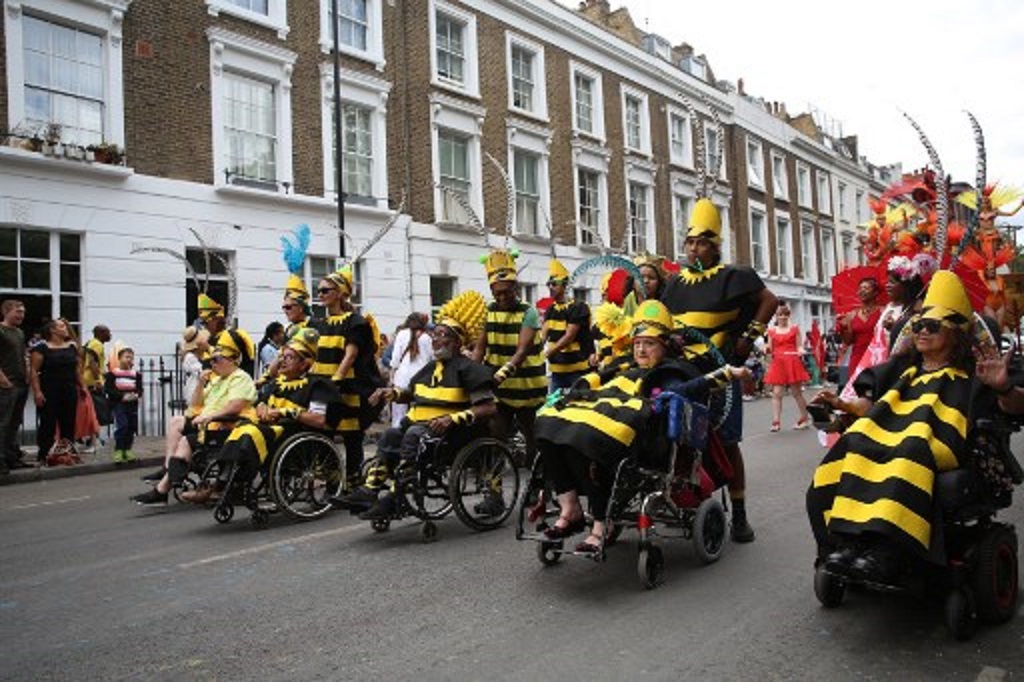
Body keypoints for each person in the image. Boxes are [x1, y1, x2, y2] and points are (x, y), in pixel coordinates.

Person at [807, 271, 998, 582]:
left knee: (911, 448)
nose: (921, 332)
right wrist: (842, 405)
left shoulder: (975, 375)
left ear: (954, 333)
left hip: (935, 438)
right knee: (856, 441)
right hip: (888, 431)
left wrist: (1001, 388)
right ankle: (843, 544)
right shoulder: (900, 368)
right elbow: (870, 406)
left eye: (932, 326)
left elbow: (1000, 405)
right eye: (918, 325)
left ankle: (889, 551)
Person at [535, 300, 750, 551]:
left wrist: (725, 374)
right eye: (637, 344)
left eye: (649, 344)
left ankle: (602, 524)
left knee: (584, 442)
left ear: (665, 347)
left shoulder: (671, 370)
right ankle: (570, 508)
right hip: (596, 420)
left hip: (638, 436)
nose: (641, 350)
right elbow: (590, 382)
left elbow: (687, 389)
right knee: (547, 429)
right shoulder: (623, 366)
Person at [660, 198, 779, 542]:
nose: (694, 249)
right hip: (684, 371)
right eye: (690, 242)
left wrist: (747, 338)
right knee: (680, 438)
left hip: (720, 370)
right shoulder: (675, 282)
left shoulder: (734, 276)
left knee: (726, 442)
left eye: (702, 242)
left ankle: (739, 514)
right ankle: (694, 499)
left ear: (714, 246)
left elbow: (769, 302)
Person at [337, 291, 496, 520]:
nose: (436, 340)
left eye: (443, 335)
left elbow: (489, 408)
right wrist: (391, 392)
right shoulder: (429, 368)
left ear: (458, 341)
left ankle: (396, 497)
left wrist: (453, 418)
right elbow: (410, 394)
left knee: (412, 434)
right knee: (391, 434)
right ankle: (368, 491)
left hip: (451, 433)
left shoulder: (469, 369)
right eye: (435, 334)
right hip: (421, 425)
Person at [179, 328, 336, 504]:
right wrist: (262, 407)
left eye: (289, 357)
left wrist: (285, 412)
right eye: (282, 356)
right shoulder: (276, 383)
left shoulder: (318, 385)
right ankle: (227, 485)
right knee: (239, 430)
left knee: (249, 434)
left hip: (292, 433)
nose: (282, 361)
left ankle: (222, 486)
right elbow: (258, 402)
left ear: (304, 363)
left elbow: (319, 420)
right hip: (269, 428)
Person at [131, 332, 257, 506]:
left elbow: (235, 406)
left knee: (185, 440)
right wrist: (200, 383)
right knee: (177, 422)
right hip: (208, 425)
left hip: (228, 426)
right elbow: (195, 404)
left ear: (233, 359)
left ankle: (163, 488)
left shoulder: (241, 378)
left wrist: (210, 415)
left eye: (217, 359)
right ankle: (167, 473)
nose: (212, 363)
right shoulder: (218, 380)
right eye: (211, 360)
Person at [471, 249, 546, 468]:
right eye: (497, 293)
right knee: (496, 438)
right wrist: (470, 373)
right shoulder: (489, 310)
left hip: (528, 388)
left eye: (506, 292)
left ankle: (536, 488)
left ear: (515, 287)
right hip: (500, 390)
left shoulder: (528, 312)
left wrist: (500, 374)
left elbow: (522, 352)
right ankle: (494, 496)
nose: (502, 297)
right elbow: (479, 348)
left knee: (532, 438)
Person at [310, 264, 383, 485]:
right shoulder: (319, 323)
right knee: (323, 432)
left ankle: (353, 478)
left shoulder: (355, 322)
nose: (320, 294)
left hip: (346, 387)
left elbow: (350, 355)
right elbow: (315, 355)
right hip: (322, 386)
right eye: (319, 290)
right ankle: (331, 474)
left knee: (351, 434)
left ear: (341, 293)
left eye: (326, 290)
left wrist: (337, 379)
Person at [839, 253, 936, 402]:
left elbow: (918, 339)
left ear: (905, 285)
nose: (888, 285)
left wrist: (895, 329)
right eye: (887, 282)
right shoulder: (889, 307)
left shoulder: (917, 308)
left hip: (900, 366)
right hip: (875, 361)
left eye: (892, 282)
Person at [29, 319, 83, 465]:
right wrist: (37, 392)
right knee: (48, 422)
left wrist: (82, 386)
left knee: (68, 422)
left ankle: (67, 453)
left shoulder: (72, 346)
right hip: (50, 389)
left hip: (69, 388)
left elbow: (77, 369)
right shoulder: (41, 348)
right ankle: (44, 454)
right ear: (53, 330)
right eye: (61, 326)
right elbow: (34, 371)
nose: (65, 328)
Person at [542, 258, 592, 393]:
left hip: (577, 370)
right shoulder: (550, 310)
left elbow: (569, 336)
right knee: (553, 406)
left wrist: (548, 353)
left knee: (578, 406)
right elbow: (543, 335)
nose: (550, 287)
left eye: (554, 284)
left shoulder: (578, 307)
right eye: (549, 284)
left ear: (564, 286)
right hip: (557, 371)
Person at [763, 302, 811, 432]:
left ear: (789, 315)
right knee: (777, 393)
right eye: (780, 315)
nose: (783, 317)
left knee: (796, 393)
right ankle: (776, 421)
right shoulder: (771, 331)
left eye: (785, 314)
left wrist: (801, 350)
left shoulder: (795, 329)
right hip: (778, 363)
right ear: (776, 316)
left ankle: (805, 418)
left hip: (792, 362)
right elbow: (770, 348)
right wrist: (765, 349)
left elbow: (799, 345)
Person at [0, 300, 30, 473]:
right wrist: (3, 380)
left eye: (23, 312)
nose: (21, 315)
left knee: (14, 423)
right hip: (6, 385)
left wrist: (26, 374)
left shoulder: (19, 332)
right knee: (2, 423)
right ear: (6, 311)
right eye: (18, 311)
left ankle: (11, 457)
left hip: (20, 384)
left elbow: (22, 354)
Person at [197, 292, 256, 378]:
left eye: (206, 322)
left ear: (217, 319)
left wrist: (207, 348)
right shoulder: (210, 339)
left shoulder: (230, 336)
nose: (205, 326)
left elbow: (222, 360)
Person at [388, 312, 432, 428]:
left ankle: (396, 435)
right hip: (420, 378)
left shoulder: (401, 334)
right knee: (417, 411)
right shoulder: (427, 338)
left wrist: (392, 375)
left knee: (398, 413)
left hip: (401, 378)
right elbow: (431, 360)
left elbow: (395, 358)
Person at [837, 277, 881, 385]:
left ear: (875, 292)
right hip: (857, 358)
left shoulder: (883, 311)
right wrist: (844, 328)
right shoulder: (852, 315)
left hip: (877, 357)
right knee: (856, 391)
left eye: (866, 288)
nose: (862, 291)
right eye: (860, 288)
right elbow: (848, 341)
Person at [105, 346, 142, 463]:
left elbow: (139, 389)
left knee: (131, 426)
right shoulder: (113, 374)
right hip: (119, 404)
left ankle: (128, 449)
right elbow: (108, 389)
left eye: (131, 357)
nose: (129, 360)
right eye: (126, 357)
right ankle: (119, 450)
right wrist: (122, 396)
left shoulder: (136, 374)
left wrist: (136, 394)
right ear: (119, 358)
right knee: (122, 425)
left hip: (132, 404)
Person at [179, 327, 210, 406]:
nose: (207, 342)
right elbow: (202, 373)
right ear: (198, 345)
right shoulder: (189, 357)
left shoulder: (201, 356)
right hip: (195, 393)